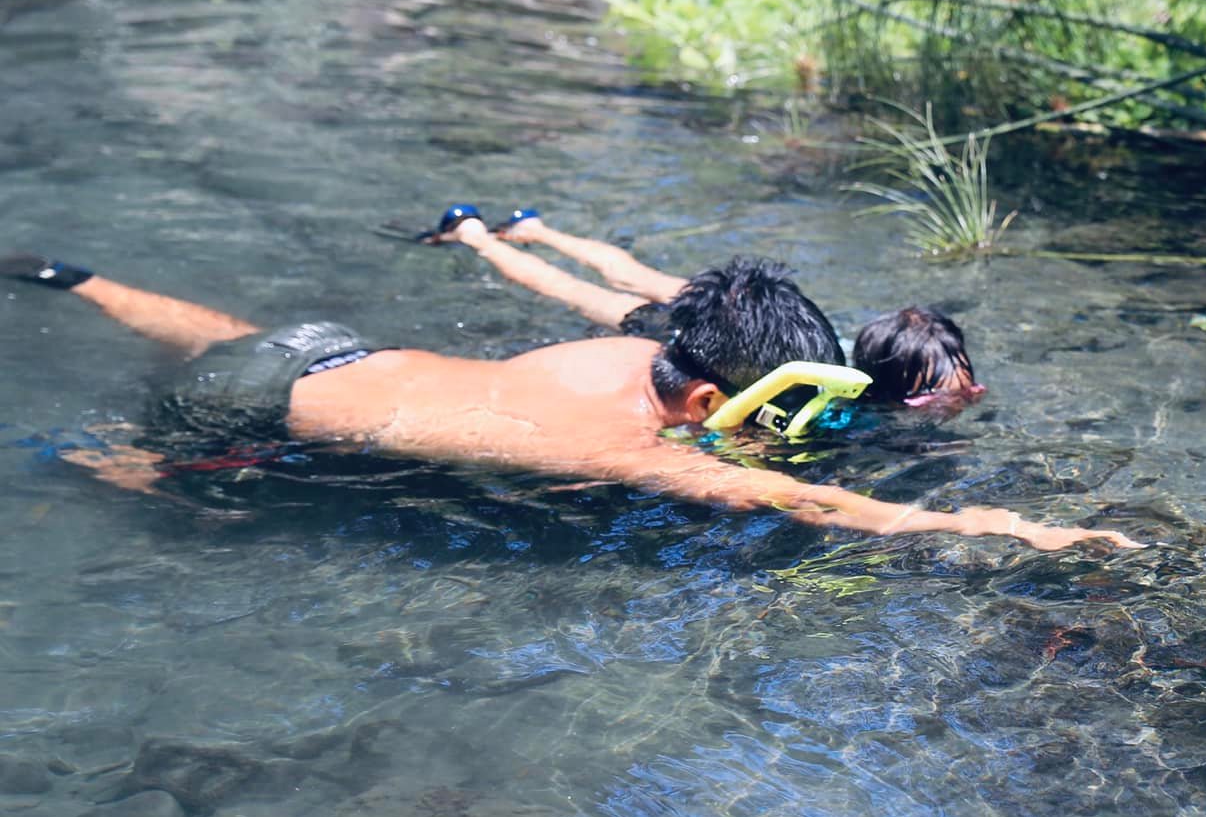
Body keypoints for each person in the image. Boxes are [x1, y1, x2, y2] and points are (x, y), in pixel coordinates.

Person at [5, 240, 1138, 552]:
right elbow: (816, 507)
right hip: (246, 416)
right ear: (706, 394)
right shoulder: (623, 446)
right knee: (166, 493)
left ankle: (70, 277)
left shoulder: (632, 355)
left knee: (223, 340)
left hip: (328, 353)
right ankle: (66, 459)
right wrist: (1001, 526)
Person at [444, 208, 985, 410]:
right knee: (579, 292)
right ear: (890, 390)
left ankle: (534, 227)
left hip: (739, 314)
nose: (961, 401)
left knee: (630, 272)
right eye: (942, 395)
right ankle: (478, 238)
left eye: (969, 389)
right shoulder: (847, 404)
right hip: (695, 340)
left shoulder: (846, 350)